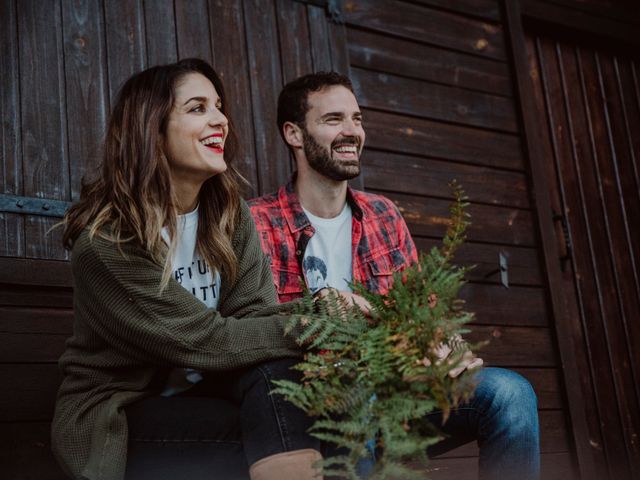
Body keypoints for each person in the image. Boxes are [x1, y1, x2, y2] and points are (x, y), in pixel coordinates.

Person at [248, 71, 541, 480]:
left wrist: (444, 347)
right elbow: (257, 327)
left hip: (402, 390)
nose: (352, 131)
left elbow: (423, 313)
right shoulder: (255, 222)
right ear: (294, 134)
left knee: (510, 393)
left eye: (358, 119)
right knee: (356, 392)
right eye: (334, 120)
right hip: (319, 406)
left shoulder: (384, 214)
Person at [51, 59, 322, 480]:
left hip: (211, 388)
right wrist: (323, 319)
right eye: (198, 108)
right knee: (282, 428)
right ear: (152, 128)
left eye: (218, 107)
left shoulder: (230, 216)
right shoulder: (106, 244)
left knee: (280, 380)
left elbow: (254, 321)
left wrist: (328, 316)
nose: (220, 120)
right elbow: (209, 342)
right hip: (123, 411)